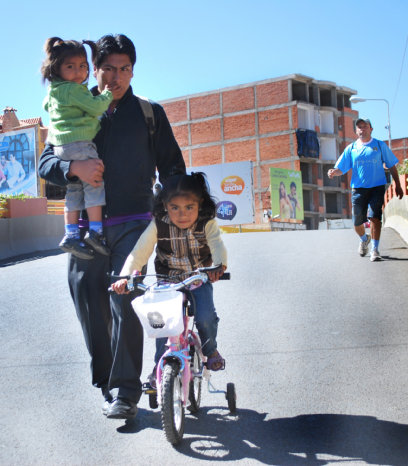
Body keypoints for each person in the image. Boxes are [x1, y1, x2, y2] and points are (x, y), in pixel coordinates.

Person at [38, 34, 186, 420]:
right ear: (94, 69)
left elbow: (172, 165)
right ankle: (107, 381)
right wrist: (73, 168)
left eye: (125, 69)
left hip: (134, 225)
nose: (116, 77)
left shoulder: (148, 113)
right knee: (90, 304)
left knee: (124, 301)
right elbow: (45, 165)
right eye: (108, 68)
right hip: (84, 231)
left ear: (133, 70)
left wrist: (179, 208)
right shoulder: (72, 105)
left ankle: (124, 391)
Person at [111, 172, 228, 385]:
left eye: (189, 207)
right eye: (175, 208)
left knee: (205, 317)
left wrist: (218, 266)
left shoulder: (207, 224)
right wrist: (125, 277)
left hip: (197, 279)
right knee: (161, 324)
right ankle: (159, 365)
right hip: (166, 281)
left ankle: (211, 352)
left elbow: (217, 245)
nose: (182, 214)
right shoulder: (159, 224)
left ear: (200, 204)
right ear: (165, 205)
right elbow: (139, 252)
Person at [41, 37, 113, 259]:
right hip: (80, 142)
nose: (78, 72)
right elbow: (95, 105)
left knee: (74, 189)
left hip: (61, 147)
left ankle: (71, 234)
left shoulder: (55, 91)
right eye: (70, 66)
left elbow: (46, 106)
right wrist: (107, 94)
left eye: (82, 66)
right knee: (93, 183)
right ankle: (96, 231)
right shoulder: (75, 90)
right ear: (56, 69)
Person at [328, 118, 403, 261]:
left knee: (375, 218)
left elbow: (391, 165)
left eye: (365, 126)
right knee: (357, 222)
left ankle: (375, 250)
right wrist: (333, 172)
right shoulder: (351, 148)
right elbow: (341, 168)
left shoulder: (380, 146)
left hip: (377, 187)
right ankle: (364, 239)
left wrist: (398, 185)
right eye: (359, 127)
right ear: (356, 131)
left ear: (371, 129)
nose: (362, 129)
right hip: (358, 189)